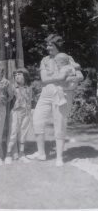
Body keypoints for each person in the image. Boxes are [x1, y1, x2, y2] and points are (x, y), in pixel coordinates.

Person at [27, 34, 83, 167]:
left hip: (63, 93)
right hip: (46, 92)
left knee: (60, 123)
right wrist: (61, 78)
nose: (47, 47)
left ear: (57, 46)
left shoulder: (67, 58)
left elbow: (80, 76)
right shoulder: (44, 60)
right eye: (47, 45)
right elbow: (44, 80)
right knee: (37, 119)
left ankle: (59, 157)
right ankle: (41, 153)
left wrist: (67, 79)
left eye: (50, 45)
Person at [5, 68, 32, 165]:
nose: (17, 76)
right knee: (12, 133)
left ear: (25, 76)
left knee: (23, 133)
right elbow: (8, 99)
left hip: (26, 112)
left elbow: (29, 101)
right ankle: (8, 154)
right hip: (15, 112)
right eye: (15, 75)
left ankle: (21, 153)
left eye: (19, 74)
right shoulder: (12, 87)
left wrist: (29, 113)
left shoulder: (29, 87)